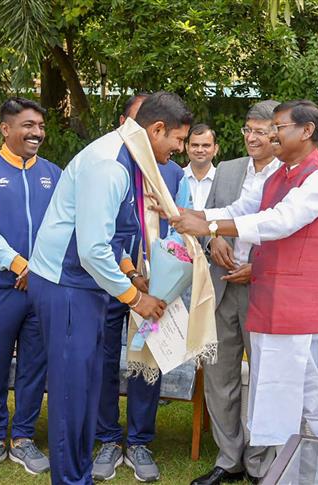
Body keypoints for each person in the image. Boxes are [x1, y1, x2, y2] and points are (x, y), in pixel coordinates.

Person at [168, 99, 318, 478]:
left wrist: (210, 227)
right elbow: (240, 209)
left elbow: (279, 222)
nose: (271, 134)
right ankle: (282, 473)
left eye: (279, 127)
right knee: (277, 397)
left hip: (310, 308)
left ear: (306, 131)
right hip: (273, 304)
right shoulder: (276, 176)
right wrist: (185, 216)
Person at [27, 91, 191, 484]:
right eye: (179, 140)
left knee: (84, 387)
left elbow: (114, 237)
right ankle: (71, 479)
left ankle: (78, 472)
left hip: (87, 285)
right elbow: (93, 250)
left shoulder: (131, 158)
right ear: (156, 129)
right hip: (66, 284)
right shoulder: (109, 165)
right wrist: (137, 299)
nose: (180, 149)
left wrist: (133, 275)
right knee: (72, 392)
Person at [93, 93, 190, 482]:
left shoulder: (173, 173)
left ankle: (139, 442)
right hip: (109, 281)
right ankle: (106, 438)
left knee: (147, 362)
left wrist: (168, 273)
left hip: (155, 284)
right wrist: (130, 273)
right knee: (101, 359)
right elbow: (101, 233)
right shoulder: (108, 165)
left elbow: (179, 230)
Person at [0, 97, 61, 476]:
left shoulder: (54, 173)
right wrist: (22, 265)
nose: (36, 132)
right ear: (6, 129)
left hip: (41, 290)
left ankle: (22, 437)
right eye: (28, 125)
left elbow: (62, 229)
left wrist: (39, 270)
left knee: (34, 366)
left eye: (40, 126)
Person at [190, 100, 282, 485]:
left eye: (260, 131)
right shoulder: (226, 170)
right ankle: (229, 457)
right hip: (222, 285)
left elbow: (288, 233)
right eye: (248, 130)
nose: (252, 137)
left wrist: (257, 268)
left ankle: (261, 462)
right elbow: (208, 220)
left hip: (264, 290)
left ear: (279, 135)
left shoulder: (291, 176)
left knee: (265, 377)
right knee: (219, 374)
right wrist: (214, 244)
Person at [183, 124, 218, 209]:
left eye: (206, 145)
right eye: (195, 145)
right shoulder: (178, 178)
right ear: (187, 148)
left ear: (215, 149)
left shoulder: (223, 181)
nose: (200, 150)